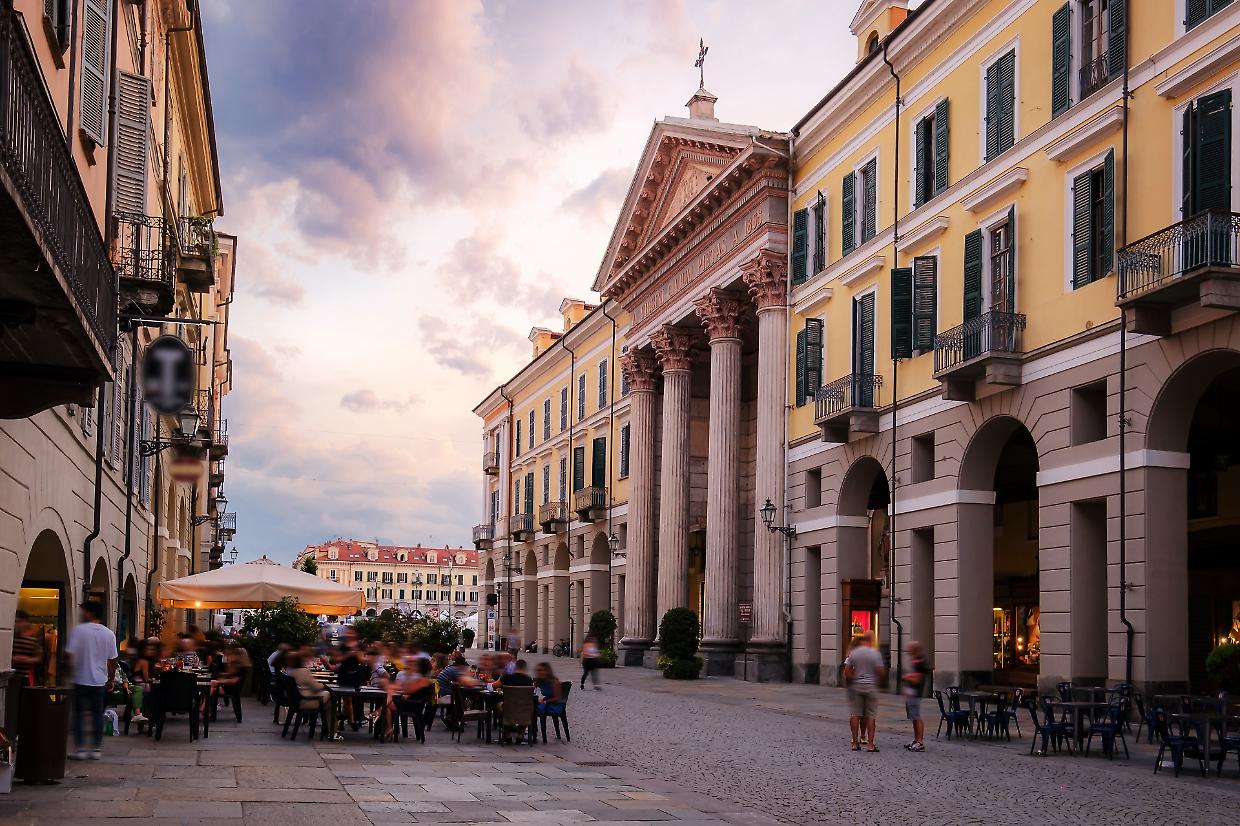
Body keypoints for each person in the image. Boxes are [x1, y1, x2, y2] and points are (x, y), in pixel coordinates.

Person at [65, 601, 118, 761]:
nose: (81, 614)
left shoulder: (79, 631)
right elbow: (113, 660)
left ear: (89, 613)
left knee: (79, 715)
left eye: (83, 611)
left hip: (80, 679)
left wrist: (68, 672)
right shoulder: (108, 633)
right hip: (99, 681)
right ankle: (95, 748)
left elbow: (69, 654)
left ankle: (80, 749)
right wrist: (110, 679)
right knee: (97, 714)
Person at [843, 631, 885, 753]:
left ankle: (855, 743)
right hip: (871, 686)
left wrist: (853, 679)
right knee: (871, 716)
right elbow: (881, 672)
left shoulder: (854, 653)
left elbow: (847, 671)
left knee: (855, 714)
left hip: (857, 686)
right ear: (871, 640)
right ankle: (870, 745)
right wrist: (877, 680)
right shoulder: (875, 654)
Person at [287, 652, 341, 741]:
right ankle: (333, 731)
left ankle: (331, 730)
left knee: (330, 704)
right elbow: (316, 687)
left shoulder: (291, 672)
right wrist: (326, 685)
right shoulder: (302, 671)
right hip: (305, 701)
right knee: (330, 696)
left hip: (296, 700)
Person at [902, 640, 930, 752]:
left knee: (916, 717)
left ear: (914, 649)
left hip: (915, 693)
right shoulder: (915, 660)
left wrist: (907, 677)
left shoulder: (920, 662)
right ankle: (916, 740)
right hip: (911, 693)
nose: (907, 650)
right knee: (913, 717)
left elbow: (918, 679)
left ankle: (920, 742)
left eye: (909, 648)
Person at [11, 610, 44, 687]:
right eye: (16, 622)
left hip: (24, 678)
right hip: (9, 678)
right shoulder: (10, 639)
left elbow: (39, 658)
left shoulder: (33, 641)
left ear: (26, 623)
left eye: (20, 622)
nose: (18, 624)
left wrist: (26, 659)